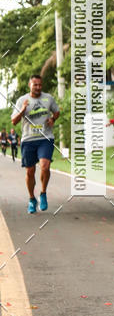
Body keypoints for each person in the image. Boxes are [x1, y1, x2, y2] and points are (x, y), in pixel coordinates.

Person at [11, 75, 60, 213]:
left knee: (45, 166)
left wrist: (52, 119)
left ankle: (43, 193)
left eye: (40, 85)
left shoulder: (48, 98)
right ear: (29, 85)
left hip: (45, 137)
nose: (38, 87)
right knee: (30, 171)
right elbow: (14, 121)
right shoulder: (22, 100)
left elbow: (56, 112)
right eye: (35, 85)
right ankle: (32, 199)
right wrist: (22, 109)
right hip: (28, 139)